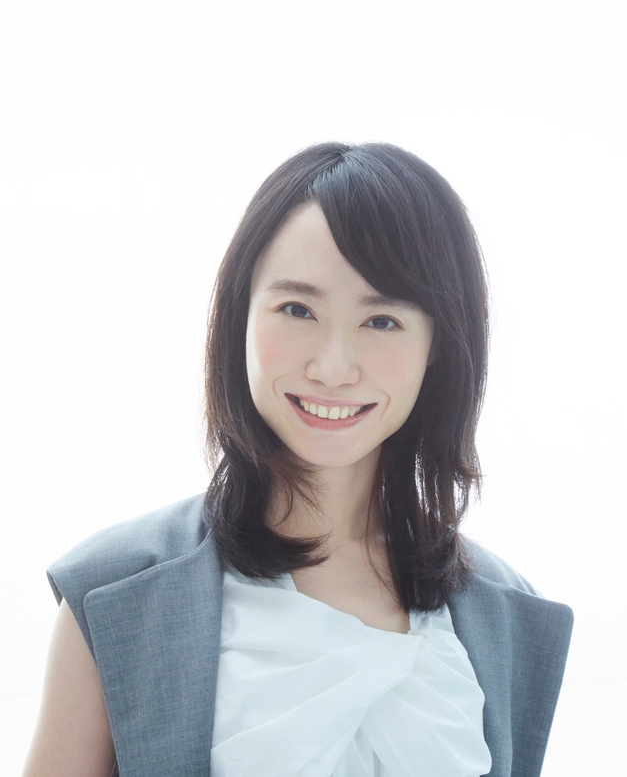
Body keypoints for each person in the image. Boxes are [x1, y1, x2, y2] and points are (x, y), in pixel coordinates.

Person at [22, 142, 573, 777]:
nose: (333, 368)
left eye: (382, 321)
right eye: (297, 309)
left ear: (439, 346)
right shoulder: (117, 592)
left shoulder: (508, 613)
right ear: (240, 318)